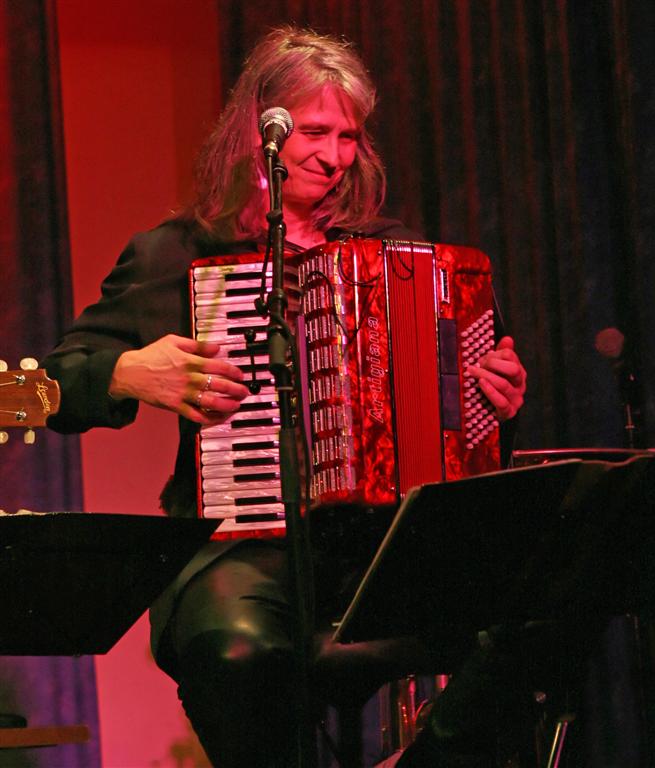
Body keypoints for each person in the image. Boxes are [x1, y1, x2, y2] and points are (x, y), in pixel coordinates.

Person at [43, 26, 527, 768]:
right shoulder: (178, 254)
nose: (334, 156)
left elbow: (457, 429)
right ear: (258, 130)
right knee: (232, 649)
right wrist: (126, 372)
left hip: (377, 543)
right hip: (242, 546)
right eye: (314, 132)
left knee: (534, 610)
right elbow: (55, 383)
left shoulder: (396, 254)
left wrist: (492, 396)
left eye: (348, 136)